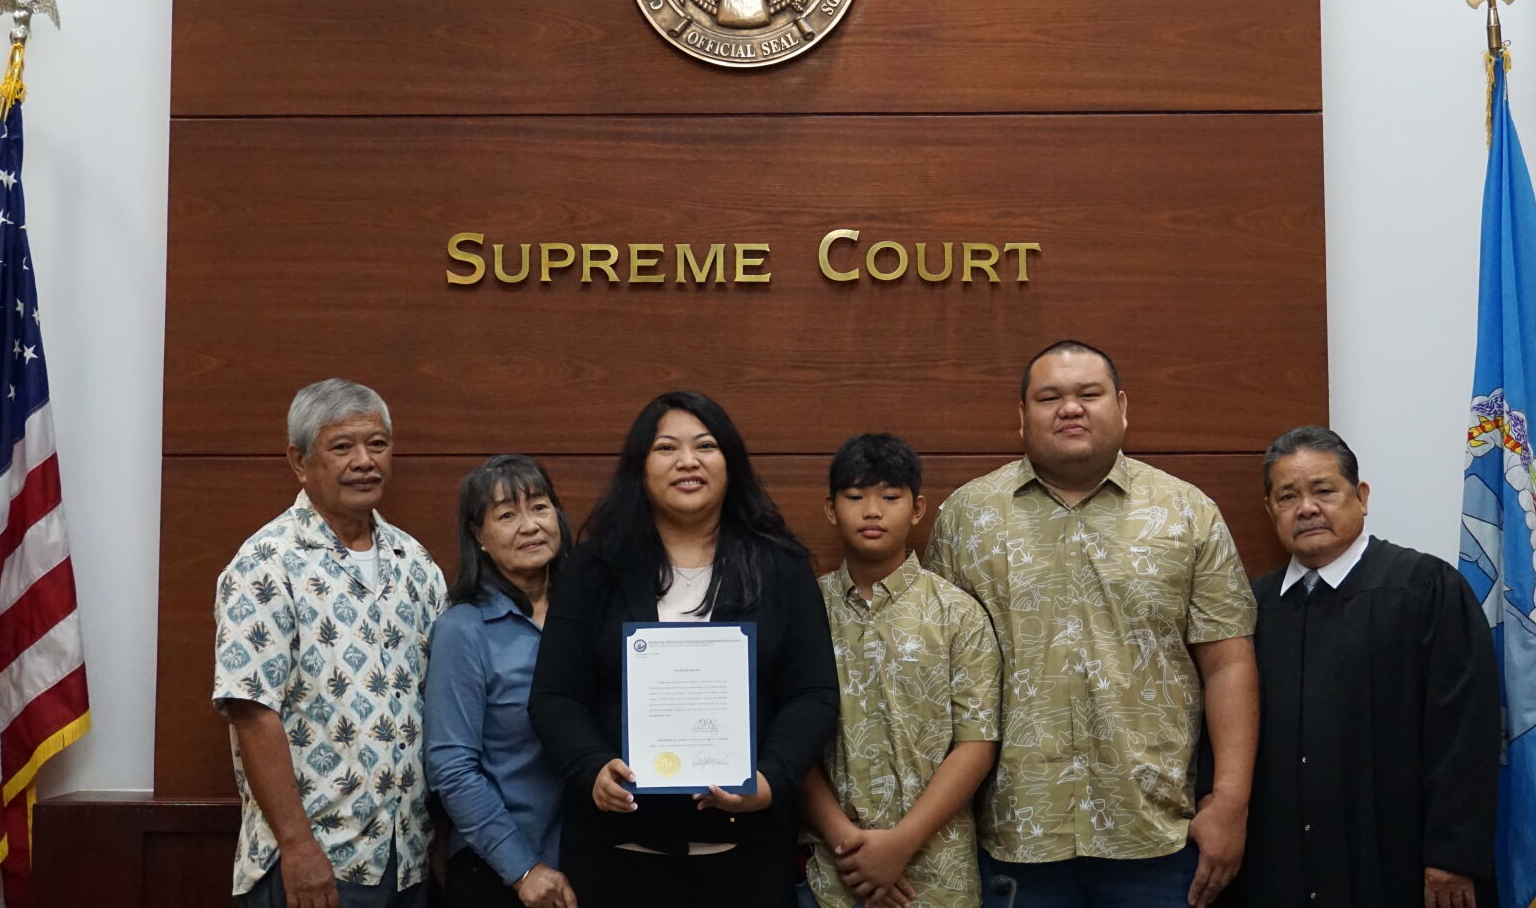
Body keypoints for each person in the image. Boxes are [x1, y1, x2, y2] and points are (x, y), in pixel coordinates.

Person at [924, 340, 1259, 908]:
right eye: (1049, 396)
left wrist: (1229, 803)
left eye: (1088, 394)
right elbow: (937, 675)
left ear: (1123, 407)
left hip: (1158, 838)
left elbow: (1227, 661)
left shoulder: (1186, 512)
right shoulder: (966, 517)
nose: (1070, 408)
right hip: (1012, 838)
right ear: (1021, 417)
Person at [529, 390, 838, 908]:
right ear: (640, 467)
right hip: (617, 858)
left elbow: (813, 694)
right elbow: (554, 695)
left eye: (706, 446)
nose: (687, 461)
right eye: (666, 448)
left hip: (745, 860)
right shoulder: (594, 567)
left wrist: (769, 779)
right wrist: (591, 767)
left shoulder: (780, 566)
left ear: (730, 463)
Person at [1233, 426, 1498, 908]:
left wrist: (1453, 855)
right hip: (1279, 866)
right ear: (1271, 510)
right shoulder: (1251, 608)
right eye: (1287, 496)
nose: (1306, 508)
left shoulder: (1423, 588)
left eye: (1323, 491)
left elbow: (1466, 730)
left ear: (1361, 496)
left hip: (1400, 863)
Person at [212, 378, 447, 907]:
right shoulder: (265, 564)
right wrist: (298, 847)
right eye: (342, 446)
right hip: (315, 861)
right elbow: (252, 712)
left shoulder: (416, 563)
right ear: (299, 461)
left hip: (407, 857)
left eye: (378, 444)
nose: (365, 461)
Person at [799, 433, 1002, 908]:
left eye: (890, 498)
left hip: (937, 877)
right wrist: (848, 845)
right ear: (831, 509)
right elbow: (789, 738)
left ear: (917, 509)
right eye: (855, 497)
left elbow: (976, 742)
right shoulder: (806, 608)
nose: (872, 511)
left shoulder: (958, 614)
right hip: (833, 876)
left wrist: (900, 844)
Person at [425, 455, 578, 908]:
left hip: (594, 861)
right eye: (507, 515)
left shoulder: (589, 616)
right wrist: (522, 868)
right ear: (479, 537)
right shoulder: (464, 629)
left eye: (539, 507)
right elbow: (452, 769)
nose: (529, 525)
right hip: (502, 872)